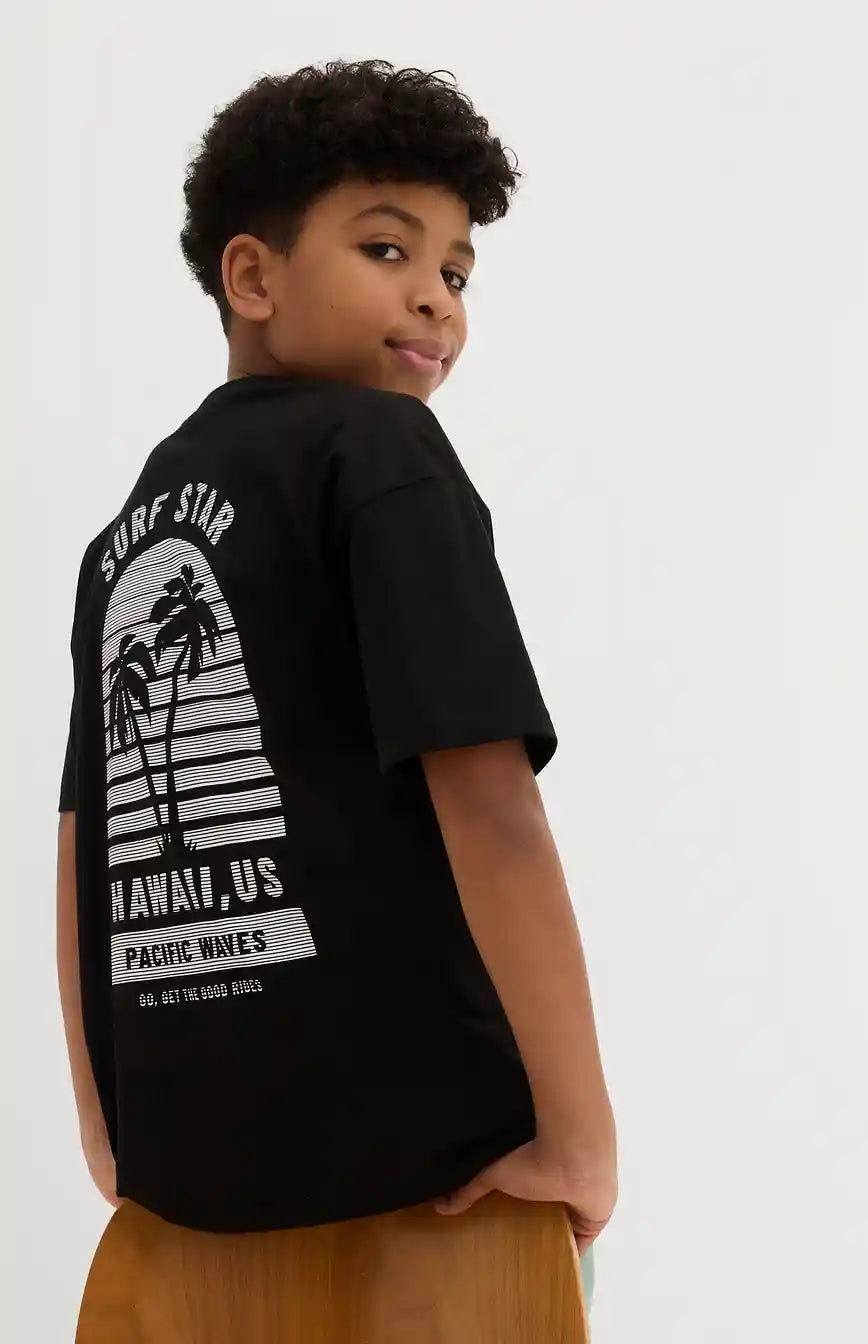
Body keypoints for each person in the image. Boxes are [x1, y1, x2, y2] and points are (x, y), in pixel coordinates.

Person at [55, 58, 616, 1317]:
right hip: (437, 1181)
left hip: (186, 1194)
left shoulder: (127, 536)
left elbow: (86, 841)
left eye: (457, 271)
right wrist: (578, 1139)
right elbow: (489, 799)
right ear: (253, 277)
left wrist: (108, 1127)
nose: (435, 297)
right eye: (386, 248)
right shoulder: (381, 452)